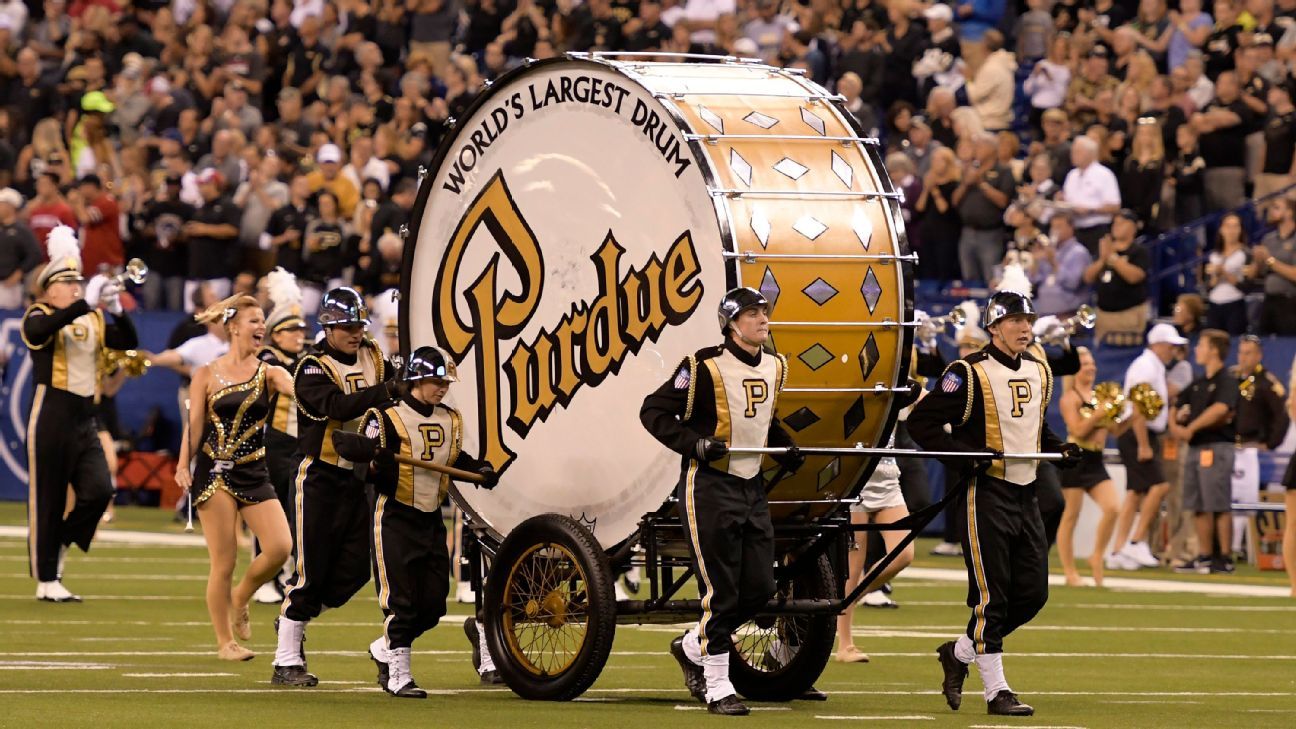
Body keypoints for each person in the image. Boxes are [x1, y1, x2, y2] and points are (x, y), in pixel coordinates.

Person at [907, 290, 1079, 718]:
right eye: (1016, 321)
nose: (1025, 327)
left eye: (1028, 320)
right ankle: (996, 691)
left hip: (1026, 493)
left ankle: (959, 652)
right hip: (985, 494)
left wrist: (1062, 448)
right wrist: (964, 457)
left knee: (1033, 594)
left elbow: (1033, 428)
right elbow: (922, 423)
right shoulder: (967, 373)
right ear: (994, 326)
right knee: (992, 597)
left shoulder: (1039, 371)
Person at [640, 287, 806, 716]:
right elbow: (653, 411)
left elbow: (761, 418)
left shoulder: (775, 366)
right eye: (753, 314)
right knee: (721, 589)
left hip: (751, 488)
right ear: (732, 323)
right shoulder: (701, 366)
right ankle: (717, 684)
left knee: (760, 587)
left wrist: (787, 445)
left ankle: (693, 646)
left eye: (764, 313)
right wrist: (694, 444)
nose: (763, 320)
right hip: (709, 487)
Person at [330, 346, 498, 699]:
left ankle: (383, 649)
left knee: (434, 604)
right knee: (401, 601)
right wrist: (378, 465)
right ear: (417, 379)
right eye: (437, 381)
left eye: (445, 382)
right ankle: (399, 675)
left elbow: (453, 458)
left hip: (431, 515)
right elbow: (364, 467)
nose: (442, 387)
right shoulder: (385, 417)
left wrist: (478, 469)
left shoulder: (450, 418)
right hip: (394, 516)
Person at [272, 287, 402, 687]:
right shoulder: (311, 366)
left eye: (358, 325)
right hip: (319, 475)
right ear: (326, 327)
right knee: (310, 567)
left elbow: (395, 394)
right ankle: (286, 658)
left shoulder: (374, 355)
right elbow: (337, 408)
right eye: (345, 326)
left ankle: (295, 617)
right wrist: (387, 392)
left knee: (356, 568)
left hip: (359, 476)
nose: (353, 333)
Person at [175, 295, 294, 661]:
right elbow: (194, 428)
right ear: (233, 326)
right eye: (254, 321)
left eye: (263, 322)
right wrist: (183, 465)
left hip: (254, 471)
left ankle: (242, 595)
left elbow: (306, 396)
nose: (261, 327)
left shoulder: (270, 371)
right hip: (214, 473)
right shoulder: (205, 374)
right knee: (223, 562)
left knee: (280, 547)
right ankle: (225, 642)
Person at [22, 225, 137, 602]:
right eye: (67, 282)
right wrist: (83, 303)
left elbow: (129, 343)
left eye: (77, 281)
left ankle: (62, 543)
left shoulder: (91, 317)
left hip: (85, 417)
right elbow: (41, 333)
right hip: (52, 413)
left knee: (100, 489)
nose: (75, 287)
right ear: (50, 287)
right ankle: (46, 579)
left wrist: (117, 310)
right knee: (48, 498)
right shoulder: (38, 313)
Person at [833, 402, 920, 663]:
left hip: (887, 479)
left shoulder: (901, 386)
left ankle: (856, 594)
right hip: (856, 479)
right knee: (852, 566)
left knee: (904, 553)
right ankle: (845, 645)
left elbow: (929, 401)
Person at [252, 268, 311, 605]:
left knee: (295, 513)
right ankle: (264, 577)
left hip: (301, 445)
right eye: (291, 329)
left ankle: (288, 574)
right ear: (275, 333)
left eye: (301, 328)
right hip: (274, 443)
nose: (299, 334)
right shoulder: (269, 360)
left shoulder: (305, 359)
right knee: (270, 512)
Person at [1108, 324, 1183, 571]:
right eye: (1170, 345)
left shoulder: (1153, 366)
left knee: (1135, 492)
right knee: (1160, 485)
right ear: (1157, 344)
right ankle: (1136, 540)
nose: (1174, 350)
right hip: (1139, 434)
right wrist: (1142, 444)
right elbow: (1139, 405)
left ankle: (1118, 549)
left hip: (1139, 433)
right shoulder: (1146, 366)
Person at [1170, 329, 1240, 575]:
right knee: (1197, 503)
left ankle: (1225, 557)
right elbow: (1177, 404)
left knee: (1218, 503)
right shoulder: (1198, 384)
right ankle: (1204, 556)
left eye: (1201, 345)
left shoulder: (1227, 380)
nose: (1197, 350)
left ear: (1214, 350)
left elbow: (1221, 409)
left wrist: (1190, 427)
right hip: (1195, 447)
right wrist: (1176, 426)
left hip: (1217, 447)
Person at [1057, 347, 1126, 587]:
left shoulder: (1101, 395)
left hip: (1096, 459)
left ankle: (1096, 555)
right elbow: (1077, 430)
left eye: (1092, 363)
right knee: (1071, 516)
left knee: (1113, 508)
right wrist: (1098, 414)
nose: (1090, 367)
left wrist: (1129, 415)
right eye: (1084, 363)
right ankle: (1070, 572)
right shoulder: (1070, 398)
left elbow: (1116, 431)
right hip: (1076, 458)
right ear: (1075, 369)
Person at [1228, 336, 1287, 559]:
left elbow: (1282, 418)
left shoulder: (1267, 383)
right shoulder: (1231, 377)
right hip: (1229, 446)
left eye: (1248, 353)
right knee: (1227, 497)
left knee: (1247, 498)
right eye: (1241, 352)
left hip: (1253, 450)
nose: (1243, 357)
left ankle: (1246, 546)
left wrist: (1269, 444)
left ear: (1259, 355)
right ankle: (1228, 546)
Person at [1083, 209, 1150, 346]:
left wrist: (1112, 257)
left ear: (1133, 228)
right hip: (1103, 317)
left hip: (1128, 318)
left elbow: (1135, 277)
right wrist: (1102, 260)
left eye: (1121, 223)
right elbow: (1088, 277)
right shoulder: (1104, 251)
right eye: (1115, 223)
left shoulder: (1138, 251)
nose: (1116, 226)